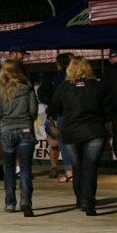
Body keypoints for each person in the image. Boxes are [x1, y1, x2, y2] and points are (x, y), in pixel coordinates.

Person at [51, 56, 109, 216]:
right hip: (94, 130)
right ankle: (89, 202)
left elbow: (54, 107)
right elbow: (107, 108)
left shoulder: (64, 87)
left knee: (77, 167)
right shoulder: (97, 86)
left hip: (71, 131)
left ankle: (80, 200)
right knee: (90, 167)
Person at [0, 57, 37, 217]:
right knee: (25, 168)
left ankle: (10, 202)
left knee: (9, 168)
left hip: (7, 131)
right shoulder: (27, 87)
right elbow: (33, 112)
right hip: (25, 129)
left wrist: (4, 122)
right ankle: (26, 201)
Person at [0, 45, 30, 180]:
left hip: (20, 112)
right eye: (22, 54)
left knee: (19, 139)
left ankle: (18, 168)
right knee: (2, 139)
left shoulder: (23, 70)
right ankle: (0, 165)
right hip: (6, 111)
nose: (24, 57)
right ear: (14, 54)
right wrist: (2, 103)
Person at [36, 52, 74, 181]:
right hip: (61, 115)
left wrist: (51, 103)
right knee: (57, 143)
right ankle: (58, 168)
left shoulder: (66, 77)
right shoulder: (57, 77)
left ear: (58, 63)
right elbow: (42, 92)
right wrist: (52, 102)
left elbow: (41, 93)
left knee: (56, 144)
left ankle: (62, 168)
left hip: (58, 115)